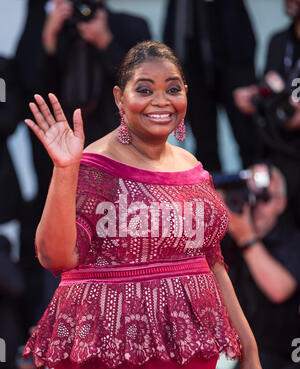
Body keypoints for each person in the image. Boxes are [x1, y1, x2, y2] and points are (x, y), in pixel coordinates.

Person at [22, 40, 268, 369]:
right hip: (105, 349)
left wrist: (250, 350)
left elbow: (212, 262)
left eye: (173, 88)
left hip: (187, 354)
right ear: (120, 98)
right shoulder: (92, 165)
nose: (161, 100)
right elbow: (55, 257)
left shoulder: (193, 168)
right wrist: (65, 170)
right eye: (144, 88)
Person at [34, 0, 151, 217]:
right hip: (67, 145)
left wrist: (106, 41)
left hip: (120, 144)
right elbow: (38, 92)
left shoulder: (131, 26)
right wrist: (49, 38)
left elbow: (145, 87)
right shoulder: (59, 29)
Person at [221, 164, 300, 369]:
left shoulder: (292, 238)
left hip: (292, 349)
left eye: (264, 198)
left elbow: (279, 289)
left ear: (282, 203)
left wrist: (248, 239)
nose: (256, 207)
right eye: (249, 198)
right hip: (257, 350)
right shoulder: (231, 240)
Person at [163, 0, 259, 172]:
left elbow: (243, 31)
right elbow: (171, 37)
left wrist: (246, 76)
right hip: (193, 71)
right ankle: (211, 194)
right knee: (205, 145)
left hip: (234, 67)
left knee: (247, 138)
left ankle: (257, 190)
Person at [233, 0, 300, 227]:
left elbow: (292, 117)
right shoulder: (279, 42)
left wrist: (283, 100)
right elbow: (268, 91)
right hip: (273, 153)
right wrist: (254, 95)